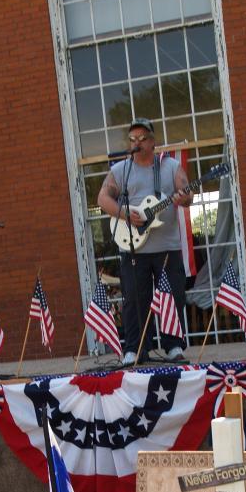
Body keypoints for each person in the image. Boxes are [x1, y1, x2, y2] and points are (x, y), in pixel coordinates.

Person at [97, 118, 194, 366]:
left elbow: (187, 194)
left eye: (142, 138)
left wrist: (184, 197)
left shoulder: (170, 166)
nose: (137, 143)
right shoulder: (121, 170)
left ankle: (173, 346)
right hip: (132, 247)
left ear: (152, 142)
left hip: (167, 248)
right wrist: (124, 213)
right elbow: (103, 198)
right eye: (132, 139)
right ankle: (136, 348)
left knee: (172, 296)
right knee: (134, 299)